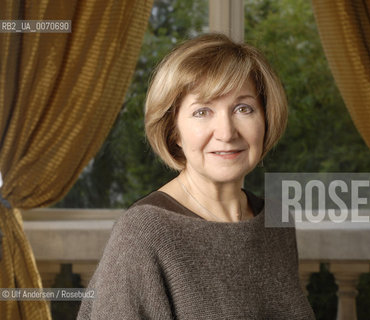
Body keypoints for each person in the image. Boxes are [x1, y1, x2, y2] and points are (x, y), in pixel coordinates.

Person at [77, 33, 315, 319]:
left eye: (243, 108)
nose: (227, 133)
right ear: (173, 130)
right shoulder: (143, 233)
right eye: (202, 111)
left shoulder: (276, 222)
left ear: (266, 118)